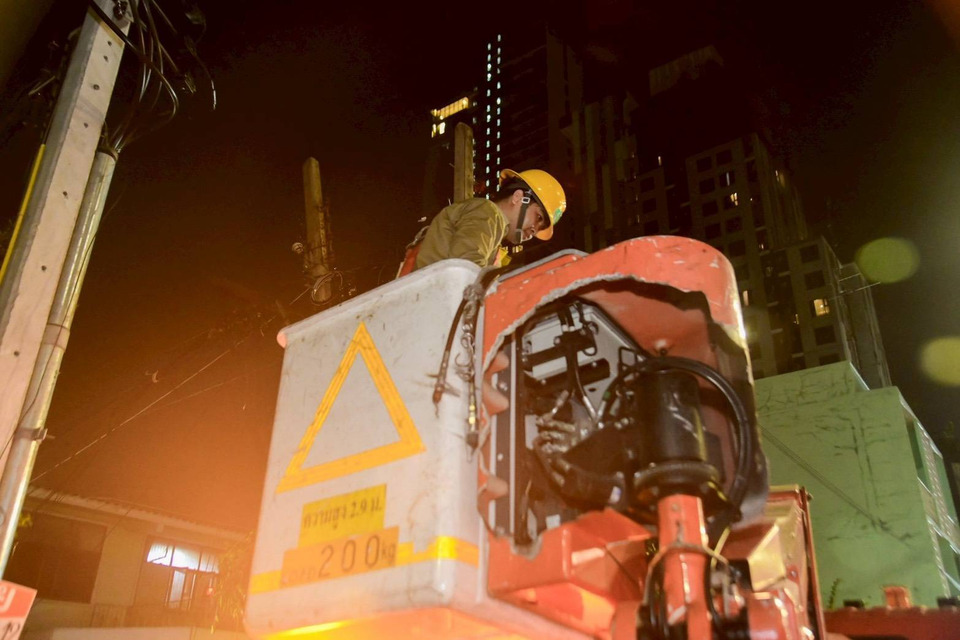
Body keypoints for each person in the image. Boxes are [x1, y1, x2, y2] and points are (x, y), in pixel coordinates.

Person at [404, 168, 566, 273]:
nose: (535, 230)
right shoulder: (488, 213)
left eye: (540, 228)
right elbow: (466, 266)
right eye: (538, 217)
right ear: (518, 197)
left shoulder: (493, 234)